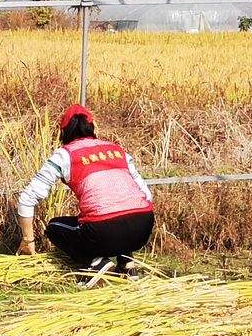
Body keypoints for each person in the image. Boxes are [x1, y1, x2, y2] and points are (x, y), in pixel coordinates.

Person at [16, 103, 155, 282]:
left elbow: (27, 199)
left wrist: (28, 240)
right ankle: (126, 263)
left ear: (63, 132)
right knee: (122, 212)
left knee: (54, 228)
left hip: (103, 232)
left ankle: (96, 262)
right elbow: (146, 195)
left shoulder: (65, 155)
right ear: (92, 127)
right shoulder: (117, 150)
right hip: (143, 227)